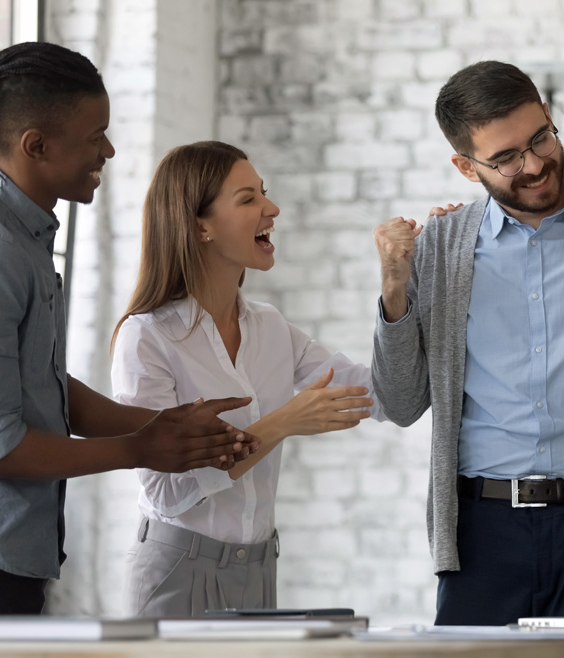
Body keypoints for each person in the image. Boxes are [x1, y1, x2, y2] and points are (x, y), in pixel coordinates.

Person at [371, 60, 564, 625]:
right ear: (466, 166)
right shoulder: (439, 246)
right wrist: (394, 290)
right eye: (507, 157)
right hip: (479, 531)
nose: (535, 164)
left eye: (541, 137)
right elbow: (400, 403)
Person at [0, 43, 257, 616]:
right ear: (36, 146)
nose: (110, 150)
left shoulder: (21, 235)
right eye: (96, 136)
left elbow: (38, 382)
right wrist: (140, 448)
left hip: (5, 559)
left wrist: (163, 426)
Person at [112, 141, 385, 617]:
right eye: (248, 199)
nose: (272, 209)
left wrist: (402, 289)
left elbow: (379, 396)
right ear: (200, 227)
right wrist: (280, 423)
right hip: (177, 570)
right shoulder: (147, 338)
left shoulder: (270, 328)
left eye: (265, 193)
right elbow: (167, 492)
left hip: (259, 569)